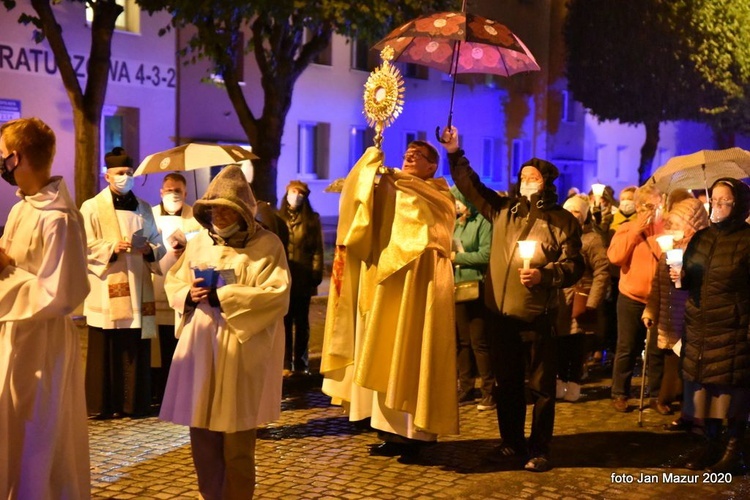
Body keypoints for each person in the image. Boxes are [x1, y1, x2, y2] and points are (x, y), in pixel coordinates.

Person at [441, 127, 584, 473]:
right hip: (500, 315)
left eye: (532, 177)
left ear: (546, 181)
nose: (526, 181)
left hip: (538, 315)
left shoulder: (562, 221)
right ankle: (511, 443)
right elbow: (471, 187)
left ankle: (540, 448)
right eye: (522, 176)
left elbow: (574, 265)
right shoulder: (504, 210)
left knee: (541, 388)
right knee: (507, 385)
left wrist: (544, 276)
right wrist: (454, 152)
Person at [321, 140, 457, 460]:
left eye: (418, 155)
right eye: (407, 153)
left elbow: (430, 232)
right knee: (387, 352)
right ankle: (392, 434)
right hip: (390, 281)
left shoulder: (439, 195)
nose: (409, 158)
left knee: (415, 353)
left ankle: (419, 436)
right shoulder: (393, 186)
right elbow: (360, 209)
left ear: (432, 166)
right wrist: (369, 166)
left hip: (420, 281)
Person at [159, 165, 290, 499]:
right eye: (213, 208)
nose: (217, 214)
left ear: (241, 213)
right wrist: (187, 295)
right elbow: (175, 279)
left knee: (237, 444)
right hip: (201, 347)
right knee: (202, 439)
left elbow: (277, 295)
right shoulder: (200, 242)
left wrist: (228, 296)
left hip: (238, 352)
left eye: (225, 209)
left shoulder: (267, 245)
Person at [0, 118, 90, 498]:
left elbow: (61, 292)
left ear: (16, 157)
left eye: (2, 154)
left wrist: (4, 271)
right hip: (13, 333)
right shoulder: (23, 209)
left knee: (38, 434)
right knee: (11, 428)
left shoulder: (60, 219)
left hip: (43, 342)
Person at [80, 147, 166, 419]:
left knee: (135, 343)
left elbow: (158, 241)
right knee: (107, 344)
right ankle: (102, 404)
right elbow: (83, 245)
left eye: (129, 173)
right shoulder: (92, 207)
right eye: (120, 173)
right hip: (108, 289)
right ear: (107, 176)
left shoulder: (143, 207)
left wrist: (149, 249)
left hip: (138, 284)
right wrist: (112, 247)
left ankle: (134, 403)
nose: (125, 177)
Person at [675, 178, 750, 474]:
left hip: (733, 326)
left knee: (733, 392)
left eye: (724, 202)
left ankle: (734, 451)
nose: (717, 206)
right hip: (701, 325)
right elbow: (691, 282)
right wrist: (680, 275)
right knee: (704, 389)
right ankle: (711, 444)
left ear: (739, 205)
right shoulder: (701, 237)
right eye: (714, 200)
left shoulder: (747, 239)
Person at [642, 197, 708, 418]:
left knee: (683, 362)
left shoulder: (702, 252)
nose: (674, 230)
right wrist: (650, 310)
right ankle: (663, 398)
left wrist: (683, 274)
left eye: (679, 226)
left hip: (688, 316)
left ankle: (680, 403)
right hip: (668, 315)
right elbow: (657, 285)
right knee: (666, 358)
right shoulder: (668, 249)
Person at [607, 184, 664, 413]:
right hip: (631, 296)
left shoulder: (664, 231)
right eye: (649, 206)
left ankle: (657, 395)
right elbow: (615, 256)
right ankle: (620, 392)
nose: (653, 210)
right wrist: (634, 232)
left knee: (656, 350)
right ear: (639, 207)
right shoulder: (626, 228)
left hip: (657, 298)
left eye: (657, 206)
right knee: (627, 346)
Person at [150, 173, 202, 404]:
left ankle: (183, 390)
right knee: (157, 345)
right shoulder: (149, 215)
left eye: (178, 190)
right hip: (156, 284)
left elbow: (204, 246)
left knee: (182, 341)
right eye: (169, 189)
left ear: (186, 193)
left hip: (185, 287)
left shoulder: (196, 218)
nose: (173, 194)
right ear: (161, 192)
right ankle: (158, 389)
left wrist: (188, 248)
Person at [556, 195, 609, 402]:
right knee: (559, 343)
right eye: (569, 210)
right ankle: (559, 381)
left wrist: (592, 302)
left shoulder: (591, 239)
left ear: (584, 215)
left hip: (581, 298)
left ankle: (574, 383)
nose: (572, 215)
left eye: (577, 211)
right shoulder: (559, 235)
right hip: (561, 300)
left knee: (576, 345)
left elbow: (601, 272)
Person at [451, 185, 495, 411]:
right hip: (457, 285)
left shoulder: (483, 223)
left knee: (479, 341)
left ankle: (489, 391)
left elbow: (486, 254)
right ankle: (465, 387)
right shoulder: (458, 224)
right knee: (462, 342)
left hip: (477, 286)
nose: (456, 205)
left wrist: (458, 256)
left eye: (458, 200)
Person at [280, 180, 325, 377]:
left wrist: (316, 273)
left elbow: (317, 249)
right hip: (284, 276)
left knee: (302, 323)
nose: (295, 195)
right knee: (284, 321)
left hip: (304, 277)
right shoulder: (278, 218)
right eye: (292, 191)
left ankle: (301, 363)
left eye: (299, 192)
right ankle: (285, 363)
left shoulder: (312, 219)